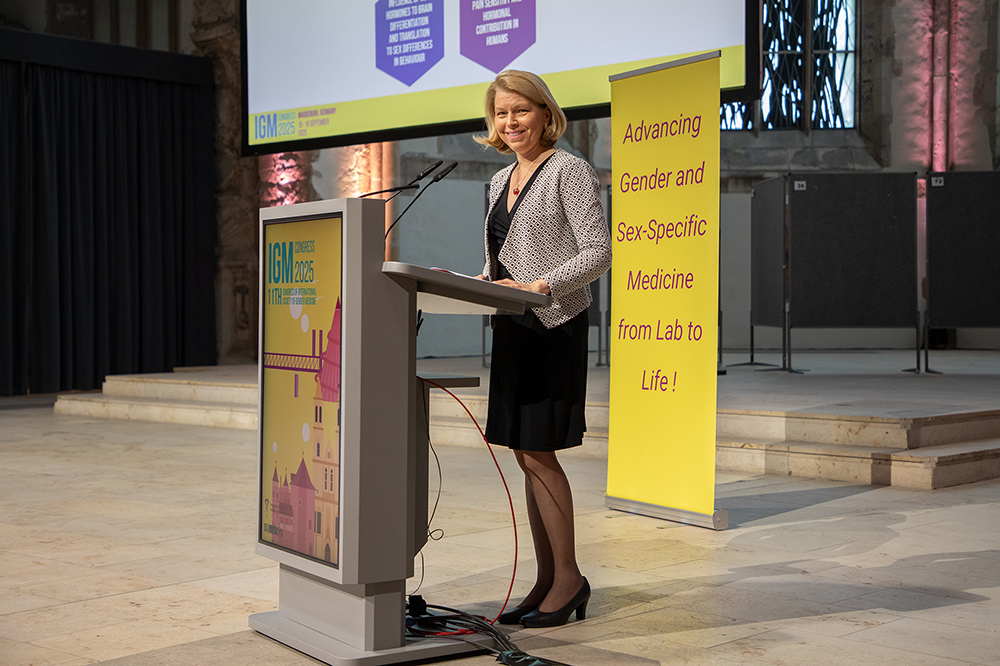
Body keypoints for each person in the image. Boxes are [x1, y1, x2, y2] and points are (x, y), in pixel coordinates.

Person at [473, 70, 611, 628]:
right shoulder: (498, 179)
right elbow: (499, 258)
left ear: (545, 114)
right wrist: (475, 284)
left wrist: (542, 285)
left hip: (553, 324)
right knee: (524, 453)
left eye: (521, 110)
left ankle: (570, 578)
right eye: (502, 113)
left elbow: (598, 253)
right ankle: (548, 578)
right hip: (513, 327)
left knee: (538, 453)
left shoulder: (568, 170)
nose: (511, 122)